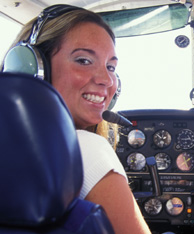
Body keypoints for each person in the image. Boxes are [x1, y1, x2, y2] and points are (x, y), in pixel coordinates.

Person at [2, 5, 151, 234]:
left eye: (110, 67)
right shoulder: (86, 147)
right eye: (83, 60)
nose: (107, 80)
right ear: (32, 68)